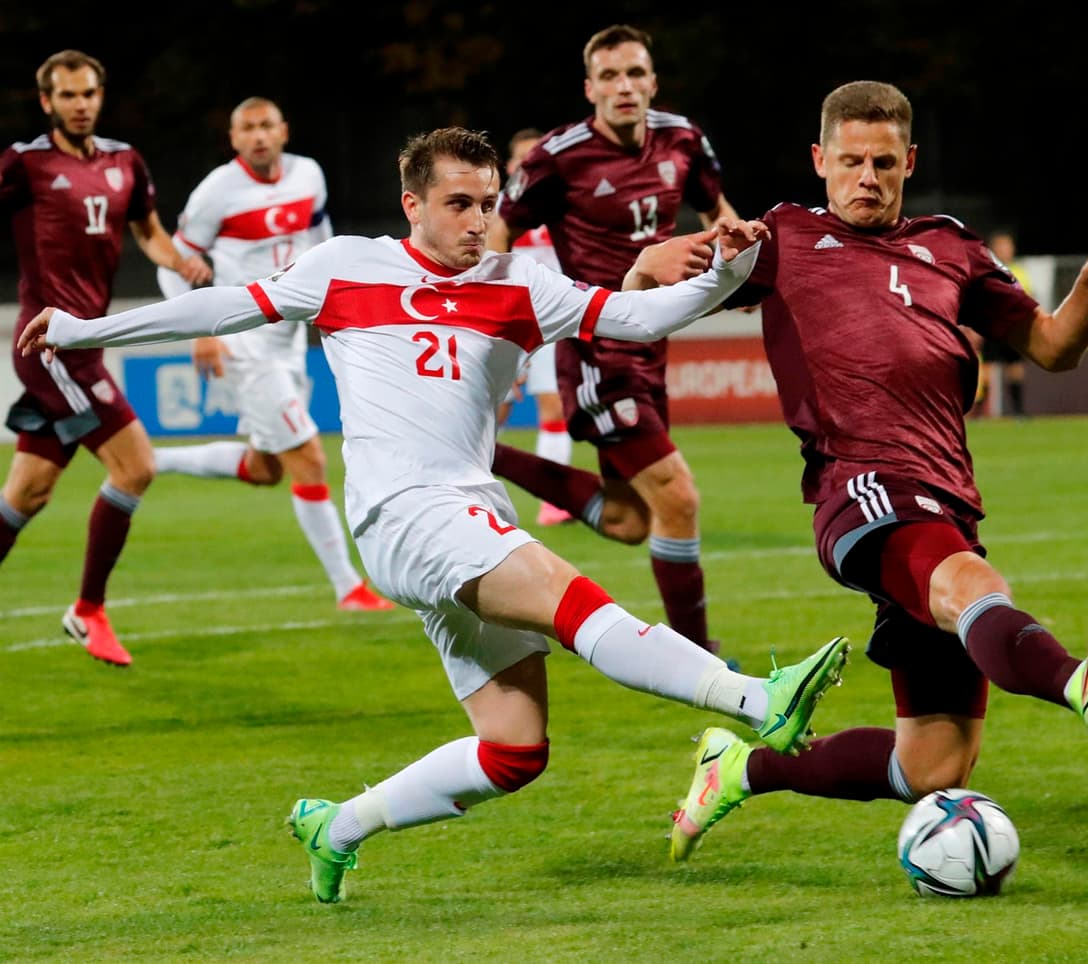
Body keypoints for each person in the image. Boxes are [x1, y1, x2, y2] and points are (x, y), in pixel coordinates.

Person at [19, 126, 852, 903]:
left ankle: (335, 825)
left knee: (516, 747)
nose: (478, 221)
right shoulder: (347, 266)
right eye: (459, 204)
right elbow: (222, 307)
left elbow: (632, 315)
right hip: (402, 513)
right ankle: (754, 699)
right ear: (413, 203)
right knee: (569, 597)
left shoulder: (520, 283)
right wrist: (92, 330)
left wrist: (727, 276)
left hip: (466, 511)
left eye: (488, 204)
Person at [635, 81, 1088, 861]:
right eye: (850, 161)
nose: (867, 178)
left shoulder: (950, 246)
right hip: (862, 486)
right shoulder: (780, 239)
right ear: (820, 161)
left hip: (946, 495)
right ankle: (1079, 684)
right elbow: (643, 291)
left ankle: (739, 768)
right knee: (970, 589)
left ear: (909, 161)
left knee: (933, 765)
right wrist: (658, 259)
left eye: (884, 162)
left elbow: (1053, 348)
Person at [486, 24, 739, 654]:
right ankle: (703, 667)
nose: (623, 87)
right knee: (678, 498)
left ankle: (486, 455)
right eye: (610, 76)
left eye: (634, 74)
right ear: (589, 88)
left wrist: (740, 255)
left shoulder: (683, 139)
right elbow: (497, 231)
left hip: (653, 344)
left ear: (652, 82)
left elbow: (719, 215)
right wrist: (502, 331)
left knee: (630, 521)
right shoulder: (557, 156)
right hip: (597, 348)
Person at [0, 49, 213, 667]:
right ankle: (88, 609)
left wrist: (181, 262)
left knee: (27, 494)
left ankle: (87, 609)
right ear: (47, 102)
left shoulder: (125, 161)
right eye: (67, 95)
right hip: (50, 347)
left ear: (100, 95)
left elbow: (147, 232)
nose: (80, 104)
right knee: (136, 466)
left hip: (86, 345)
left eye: (89, 93)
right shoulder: (25, 163)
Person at [153, 97, 391, 611]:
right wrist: (200, 328)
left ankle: (152, 461)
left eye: (266, 126)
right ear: (234, 138)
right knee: (308, 456)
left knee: (267, 467)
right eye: (247, 128)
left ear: (284, 130)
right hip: (243, 337)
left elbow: (320, 239)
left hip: (287, 336)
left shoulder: (309, 174)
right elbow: (172, 262)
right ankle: (348, 587)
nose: (259, 135)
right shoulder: (217, 191)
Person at [497, 128, 573, 526]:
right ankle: (463, 487)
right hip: (505, 320)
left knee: (554, 406)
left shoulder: (564, 207)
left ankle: (553, 501)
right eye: (523, 159)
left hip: (551, 322)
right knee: (492, 409)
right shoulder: (494, 211)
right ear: (510, 166)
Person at [975, 230, 1031, 417]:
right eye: (1001, 246)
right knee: (987, 369)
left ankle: (1018, 411)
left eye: (1007, 246)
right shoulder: (986, 271)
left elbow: (1028, 301)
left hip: (1013, 328)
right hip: (991, 327)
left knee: (1014, 368)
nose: (1005, 250)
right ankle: (981, 412)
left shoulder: (1020, 272)